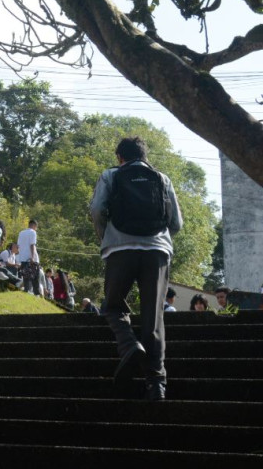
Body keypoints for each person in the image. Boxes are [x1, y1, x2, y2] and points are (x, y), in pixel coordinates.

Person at [90, 136, 182, 401]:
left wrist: (107, 237)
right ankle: (157, 384)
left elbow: (97, 210)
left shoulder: (111, 175)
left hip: (120, 249)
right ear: (144, 156)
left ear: (120, 157)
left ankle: (129, 345)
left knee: (112, 305)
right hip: (157, 252)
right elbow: (176, 222)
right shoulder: (162, 178)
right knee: (153, 317)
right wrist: (158, 239)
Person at [17, 220, 41, 295]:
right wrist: (32, 257)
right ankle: (36, 293)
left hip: (23, 258)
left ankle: (26, 290)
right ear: (34, 226)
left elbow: (18, 245)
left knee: (25, 276)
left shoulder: (21, 233)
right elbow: (32, 245)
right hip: (31, 258)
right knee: (35, 276)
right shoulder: (33, 232)